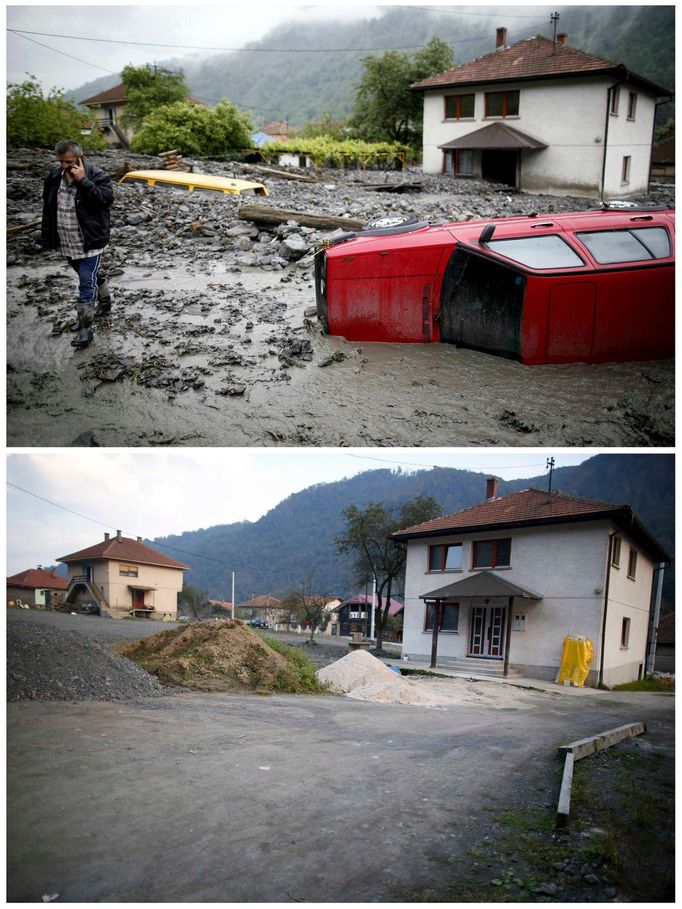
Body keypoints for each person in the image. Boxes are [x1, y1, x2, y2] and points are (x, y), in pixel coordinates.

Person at [41, 139, 115, 349]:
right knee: (89, 275)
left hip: (90, 240)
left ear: (80, 158)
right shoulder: (54, 176)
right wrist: (47, 237)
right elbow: (48, 208)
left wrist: (83, 181)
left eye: (70, 161)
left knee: (85, 281)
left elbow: (105, 200)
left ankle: (85, 329)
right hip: (66, 239)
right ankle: (105, 300)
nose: (66, 166)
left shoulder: (97, 175)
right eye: (62, 161)